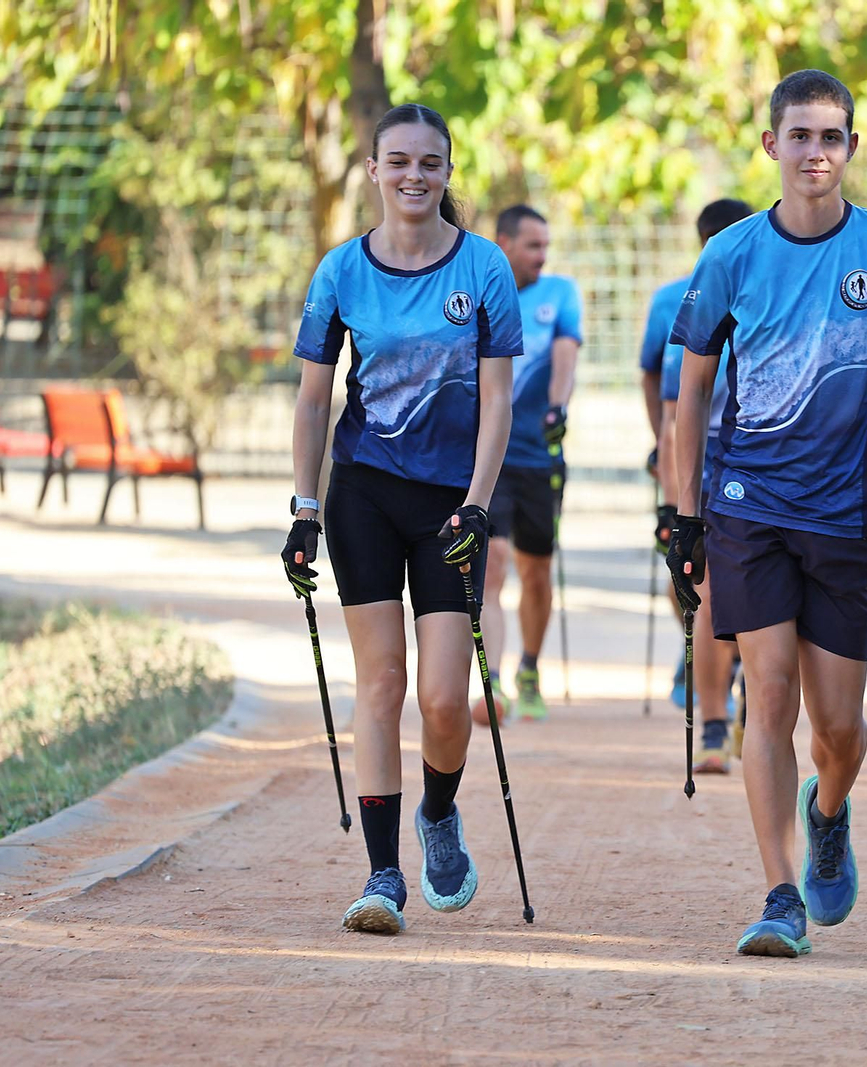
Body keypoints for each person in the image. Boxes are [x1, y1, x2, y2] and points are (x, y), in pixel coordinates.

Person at [666, 69, 867, 958]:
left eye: (830, 137)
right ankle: (780, 892)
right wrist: (685, 516)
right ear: (771, 145)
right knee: (770, 695)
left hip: (849, 515)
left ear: (851, 147)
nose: (815, 152)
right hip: (749, 506)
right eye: (800, 136)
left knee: (840, 730)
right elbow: (691, 391)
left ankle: (829, 811)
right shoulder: (731, 254)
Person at [283, 103, 522, 934]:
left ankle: (439, 810)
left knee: (447, 699)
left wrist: (478, 502)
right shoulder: (340, 272)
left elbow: (498, 400)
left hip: (452, 506)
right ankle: (382, 874)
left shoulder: (484, 268)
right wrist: (305, 507)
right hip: (365, 496)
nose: (414, 175)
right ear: (374, 170)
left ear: (446, 171)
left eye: (430, 162)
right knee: (382, 681)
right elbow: (313, 402)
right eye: (399, 161)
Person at [656, 198, 754, 772]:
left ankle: (746, 687)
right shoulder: (686, 303)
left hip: (765, 457)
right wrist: (674, 503)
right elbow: (675, 410)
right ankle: (713, 722)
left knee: (761, 599)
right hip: (712, 455)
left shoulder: (778, 293)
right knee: (707, 592)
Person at [475, 204, 583, 723]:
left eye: (546, 245)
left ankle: (530, 669)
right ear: (505, 243)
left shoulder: (560, 293)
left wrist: (558, 406)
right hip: (489, 457)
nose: (543, 255)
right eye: (533, 245)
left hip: (541, 457)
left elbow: (565, 358)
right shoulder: (481, 291)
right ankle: (492, 682)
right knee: (492, 562)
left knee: (536, 572)